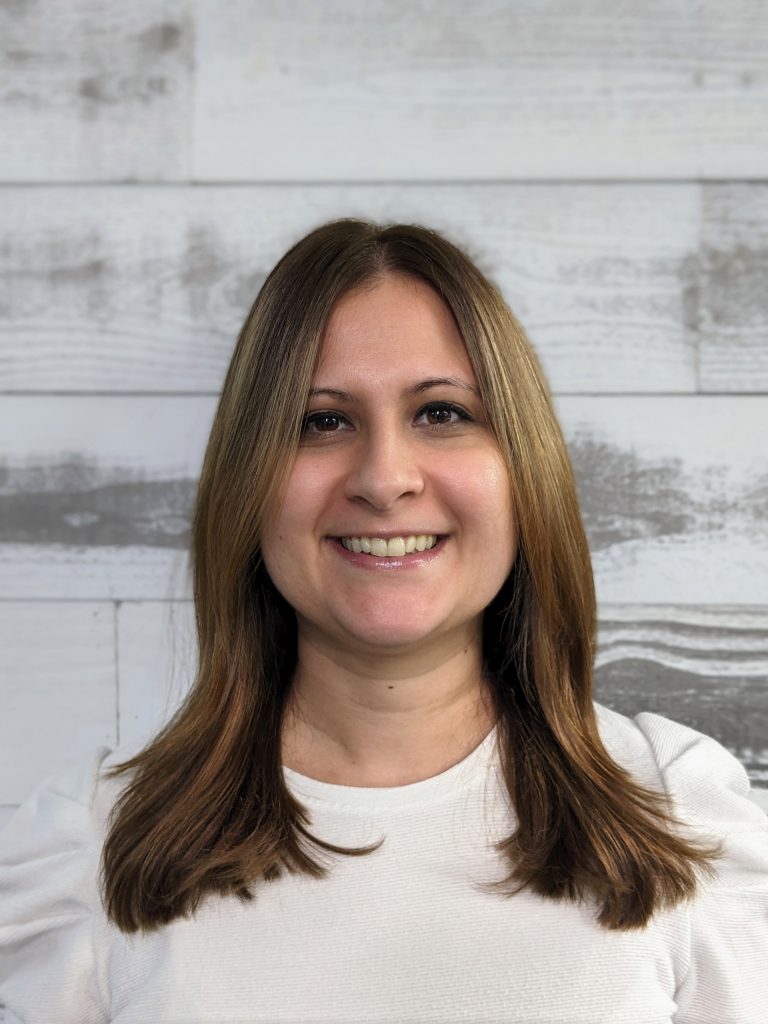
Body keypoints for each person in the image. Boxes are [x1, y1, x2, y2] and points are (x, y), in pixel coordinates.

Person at [1, 218, 766, 1023]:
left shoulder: (676, 817)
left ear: (522, 469)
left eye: (441, 413)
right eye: (322, 421)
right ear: (248, 479)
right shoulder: (97, 845)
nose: (384, 477)